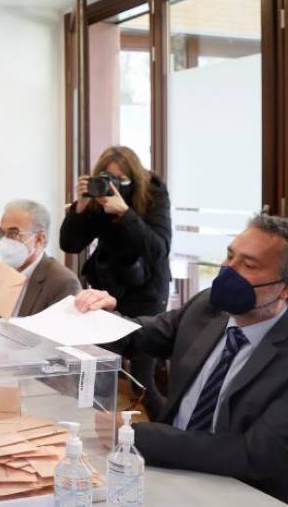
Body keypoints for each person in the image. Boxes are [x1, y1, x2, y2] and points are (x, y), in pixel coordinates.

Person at [75, 214, 288, 507]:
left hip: (253, 495)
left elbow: (254, 455)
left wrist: (133, 435)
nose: (228, 270)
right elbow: (139, 336)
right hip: (174, 475)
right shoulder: (209, 307)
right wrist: (100, 315)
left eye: (248, 265)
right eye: (230, 256)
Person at [60, 145, 171, 417]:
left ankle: (168, 428)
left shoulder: (153, 194)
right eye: (108, 178)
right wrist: (80, 207)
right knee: (98, 371)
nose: (114, 186)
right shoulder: (98, 197)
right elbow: (70, 244)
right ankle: (100, 427)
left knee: (142, 382)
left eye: (121, 179)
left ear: (136, 177)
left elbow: (158, 249)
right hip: (107, 292)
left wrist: (125, 214)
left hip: (146, 294)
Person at [0, 199, 81, 317]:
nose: (5, 240)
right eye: (1, 233)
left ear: (39, 238)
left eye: (13, 233)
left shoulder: (63, 282)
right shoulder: (4, 275)